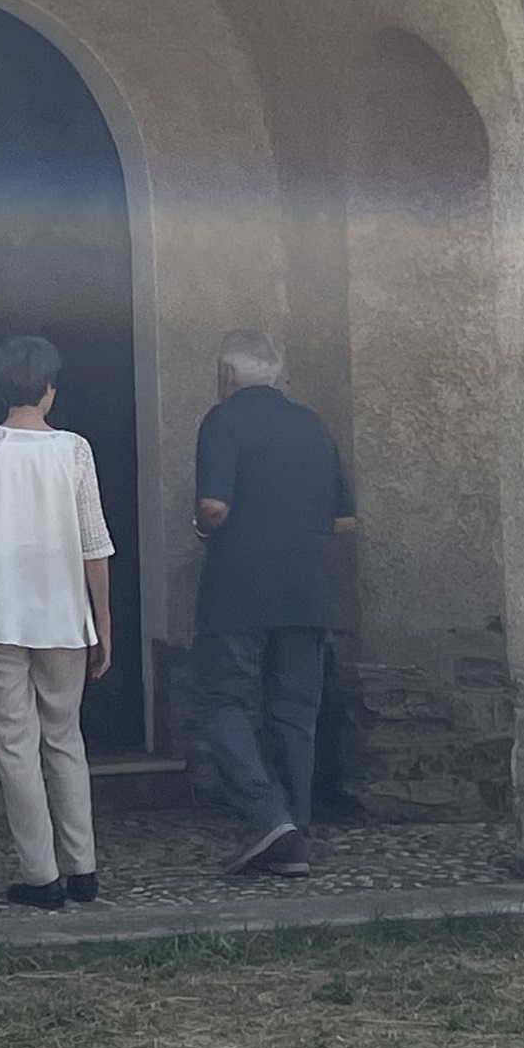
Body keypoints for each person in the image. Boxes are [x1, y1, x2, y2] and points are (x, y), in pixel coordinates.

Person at [0, 332, 117, 911]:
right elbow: (94, 547)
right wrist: (103, 623)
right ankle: (83, 867)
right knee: (65, 738)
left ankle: (41, 877)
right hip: (64, 617)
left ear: (0, 386)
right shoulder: (74, 450)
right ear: (49, 389)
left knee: (15, 745)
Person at [190, 328, 355, 875]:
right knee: (295, 715)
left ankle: (269, 818)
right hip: (306, 589)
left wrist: (202, 526)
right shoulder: (313, 425)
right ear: (277, 373)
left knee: (220, 701)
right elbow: (343, 519)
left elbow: (213, 506)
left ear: (226, 373)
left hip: (238, 588)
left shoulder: (223, 421)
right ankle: (295, 835)